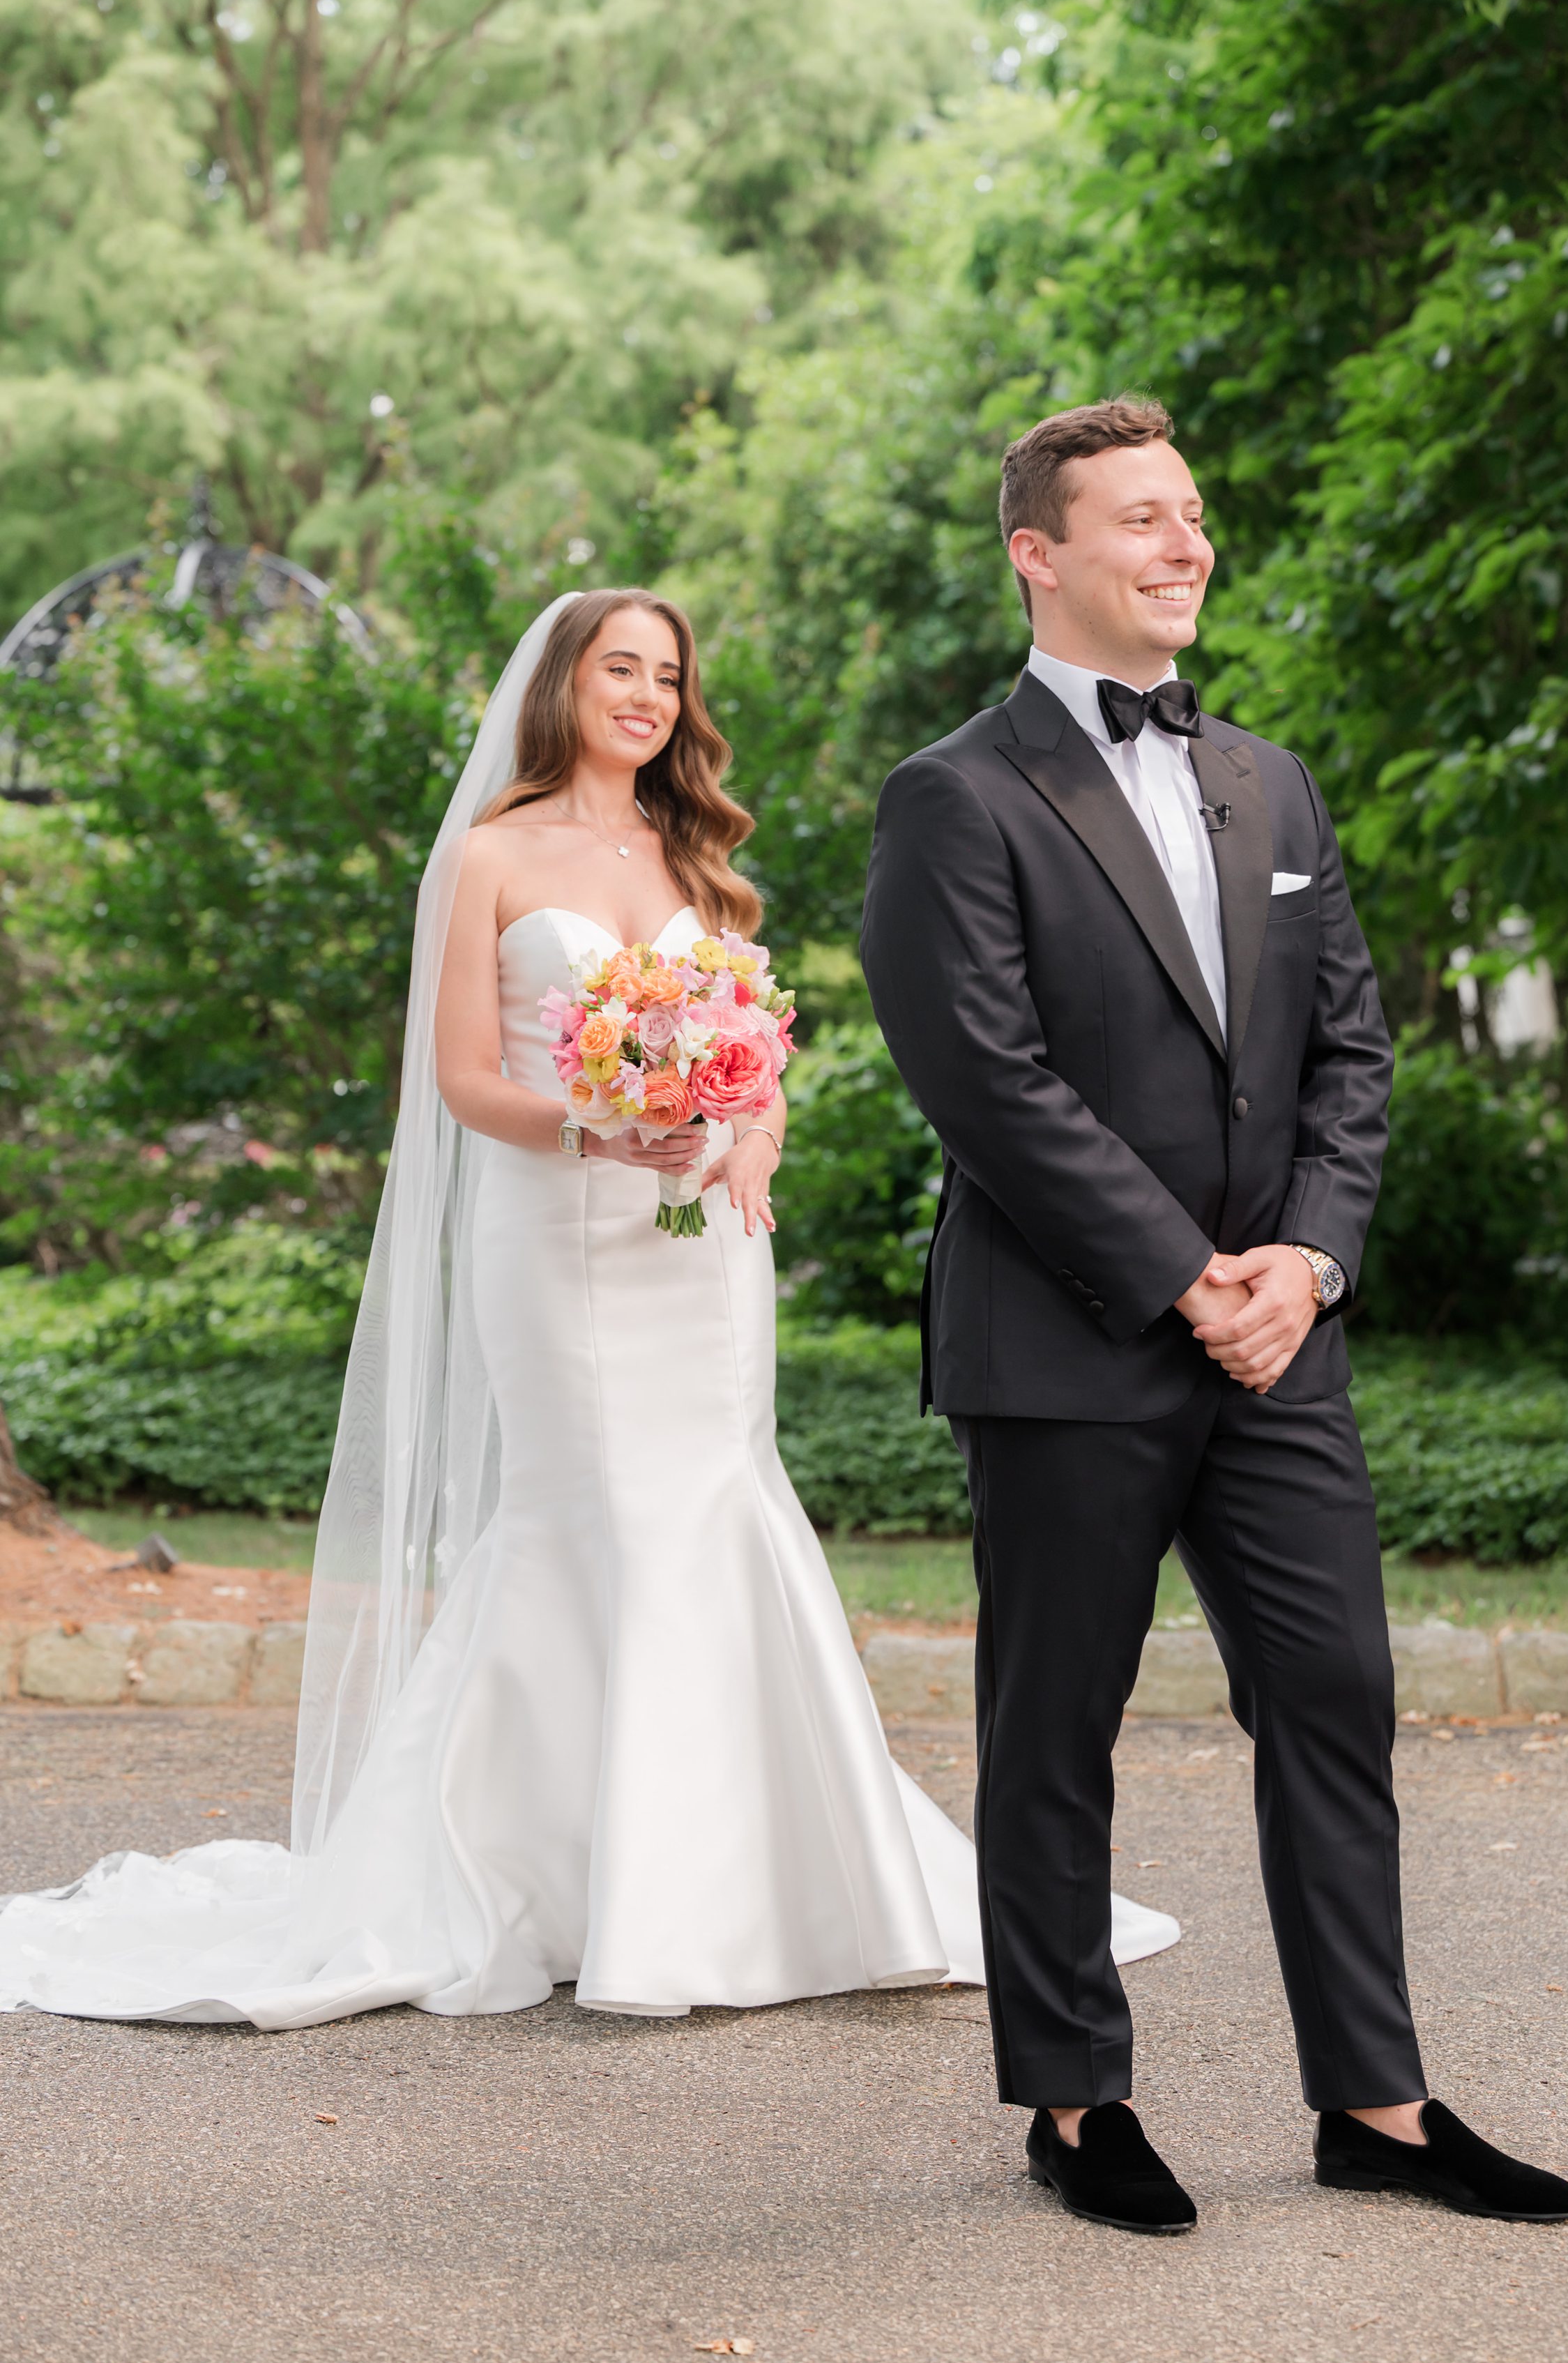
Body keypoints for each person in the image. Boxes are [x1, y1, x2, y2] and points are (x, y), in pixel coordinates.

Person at [0, 585, 1178, 2027]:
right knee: (593, 1514)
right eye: (621, 668)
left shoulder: (696, 853)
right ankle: (555, 1877)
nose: (648, 697)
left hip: (700, 1245)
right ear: (562, 683)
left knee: (718, 1500)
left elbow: (758, 1057)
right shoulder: (491, 857)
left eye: (669, 677)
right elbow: (462, 1080)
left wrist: (748, 1137)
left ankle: (768, 1881)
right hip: (558, 1229)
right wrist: (589, 1127)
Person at [859, 397, 1568, 2234]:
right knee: (1059, 1723)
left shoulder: (1270, 781)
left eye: (1193, 519)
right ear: (1041, 552)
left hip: (1281, 1342)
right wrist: (1188, 1274)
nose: (1185, 547)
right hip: (1072, 1341)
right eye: (1141, 521)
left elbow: (1351, 1049)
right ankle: (1076, 2104)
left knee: (1337, 1699)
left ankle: (1379, 2104)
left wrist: (1308, 1265)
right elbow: (988, 1081)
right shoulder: (954, 796)